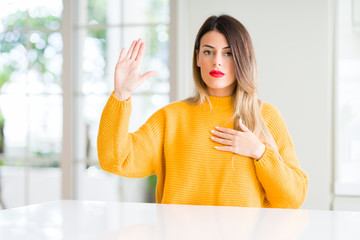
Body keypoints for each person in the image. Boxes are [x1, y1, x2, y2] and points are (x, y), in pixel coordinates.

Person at [97, 14, 308, 208]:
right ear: (198, 58)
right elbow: (115, 160)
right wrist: (121, 94)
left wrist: (260, 153)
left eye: (228, 53)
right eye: (208, 51)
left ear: (242, 59)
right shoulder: (171, 118)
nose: (217, 60)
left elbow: (293, 199)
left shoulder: (266, 117)